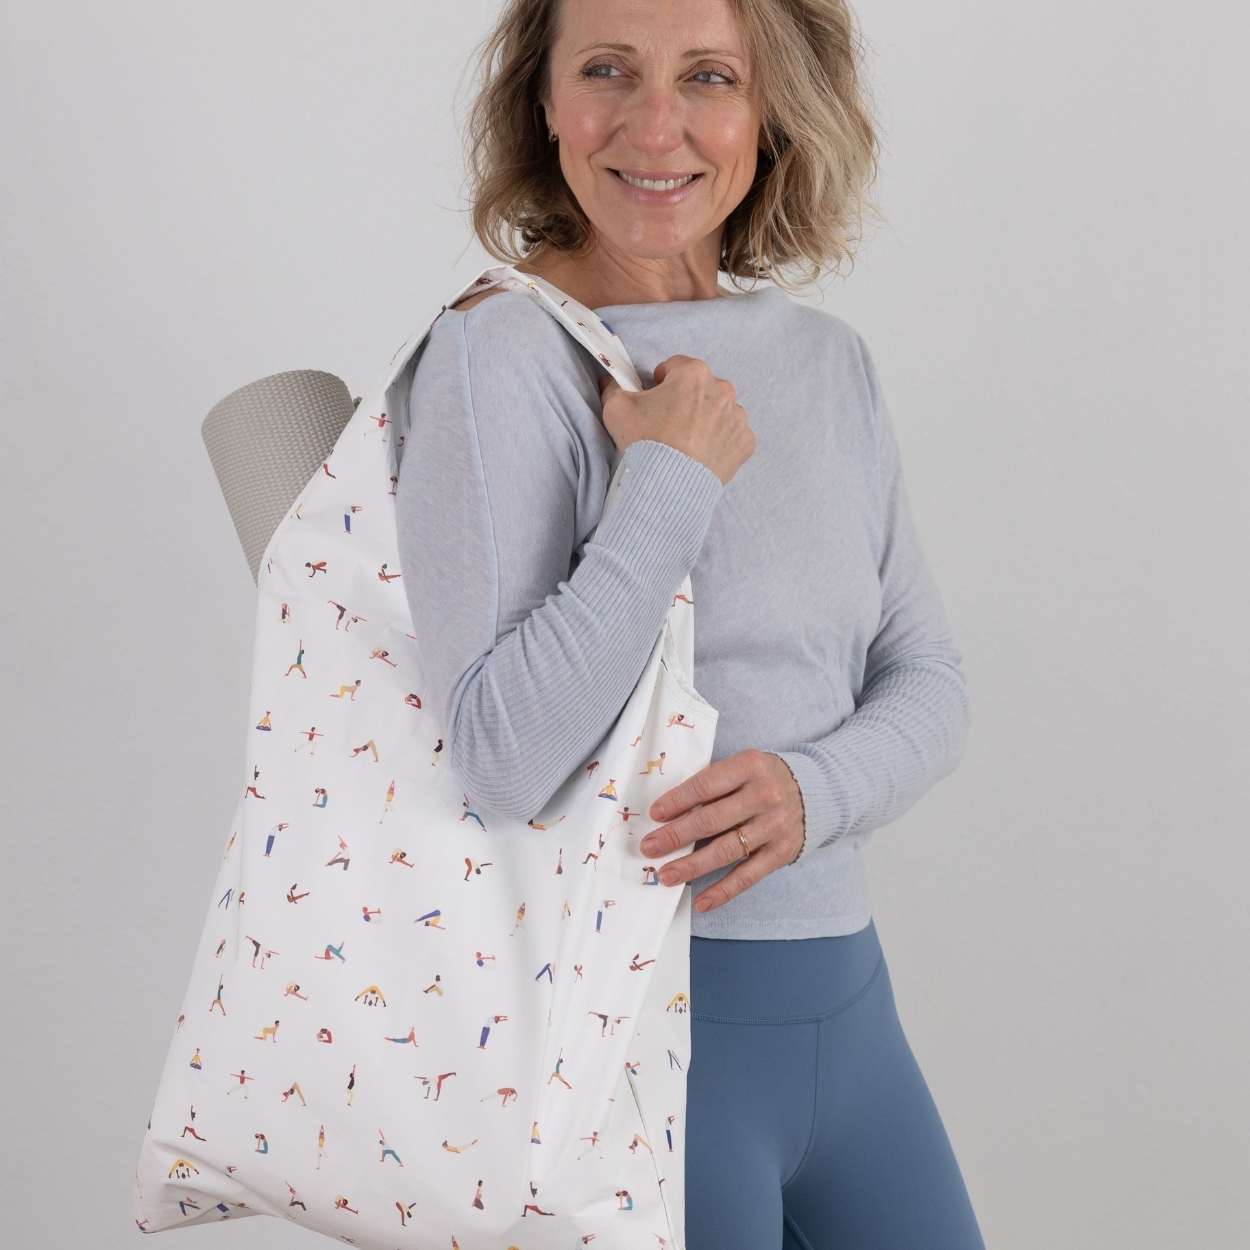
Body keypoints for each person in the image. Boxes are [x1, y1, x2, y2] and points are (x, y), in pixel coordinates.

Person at [396, 0, 985, 1246]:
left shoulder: (826, 360)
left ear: (768, 112)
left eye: (706, 76)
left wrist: (811, 789)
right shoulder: (495, 357)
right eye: (606, 69)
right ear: (543, 101)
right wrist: (670, 479)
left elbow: (926, 674)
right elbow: (498, 752)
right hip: (632, 1044)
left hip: (851, 1017)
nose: (653, 125)